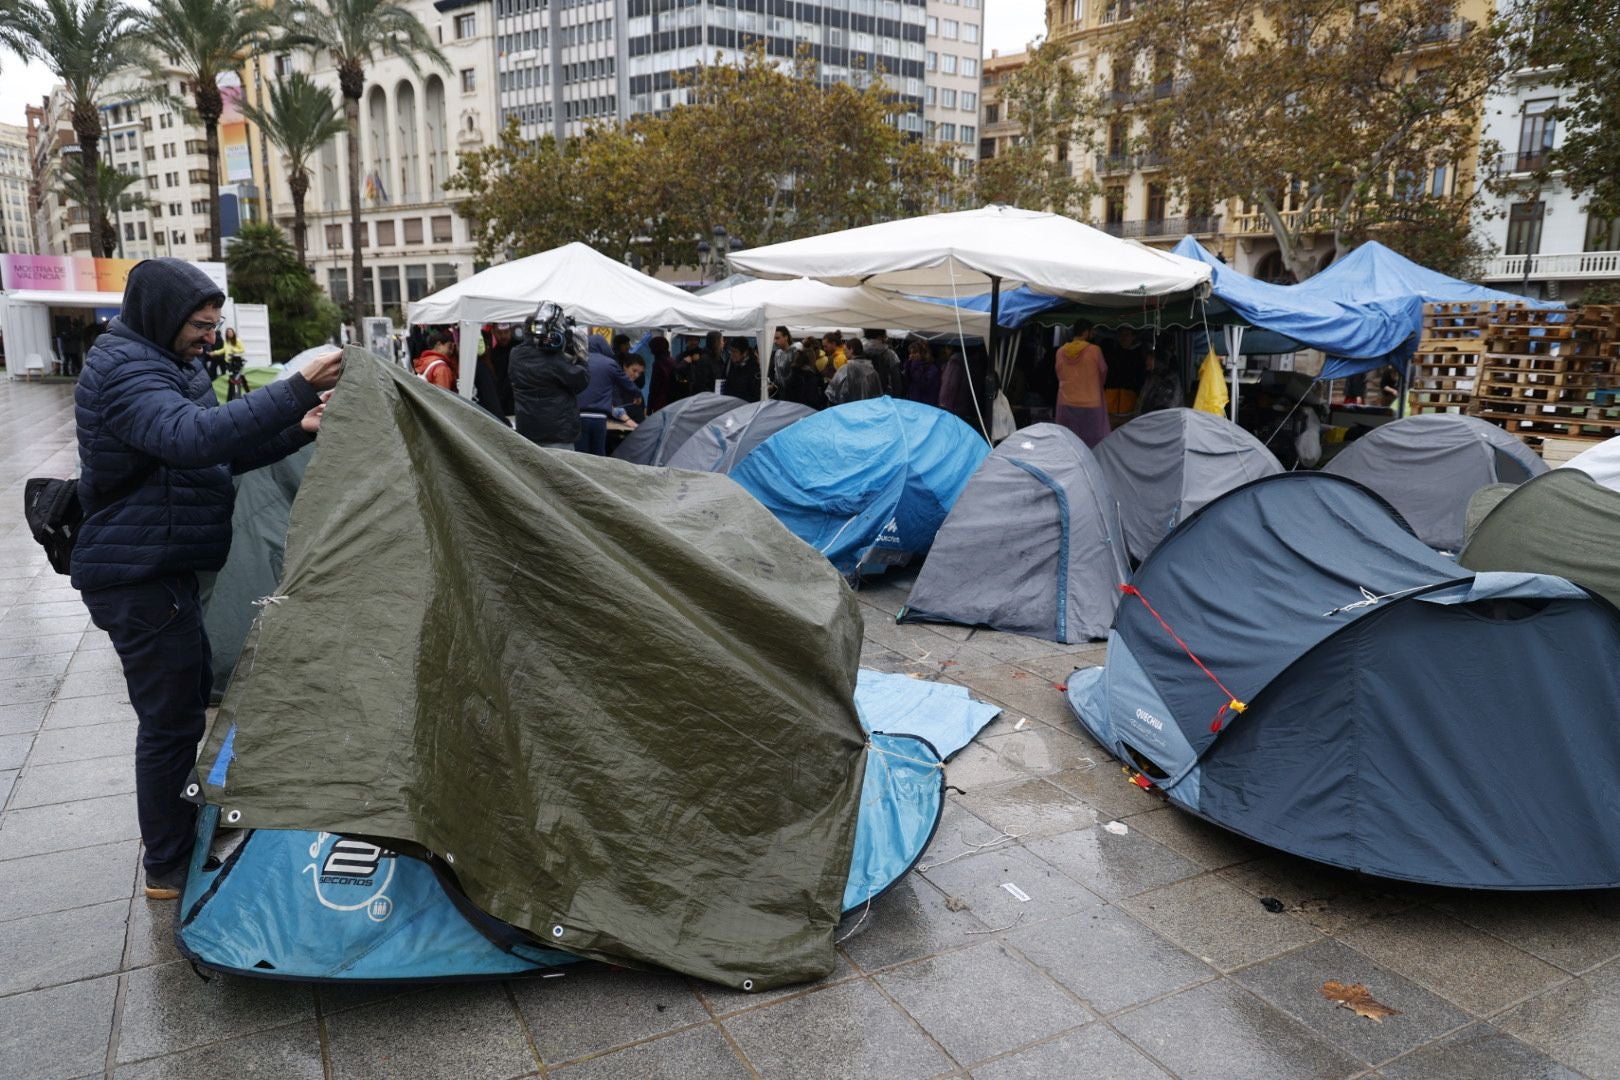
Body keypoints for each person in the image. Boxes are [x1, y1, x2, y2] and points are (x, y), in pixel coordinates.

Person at [71, 257, 340, 901]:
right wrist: (298, 387)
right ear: (163, 315)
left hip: (166, 566)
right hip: (137, 575)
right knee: (168, 723)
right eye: (199, 324)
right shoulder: (125, 369)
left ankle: (180, 834)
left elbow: (218, 451)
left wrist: (293, 430)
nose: (208, 338)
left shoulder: (170, 363)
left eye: (214, 326)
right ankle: (166, 866)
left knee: (185, 710)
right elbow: (191, 438)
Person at [510, 314, 589, 449]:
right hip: (558, 433)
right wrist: (581, 357)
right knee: (560, 470)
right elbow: (581, 380)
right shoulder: (552, 358)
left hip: (527, 431)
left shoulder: (515, 354)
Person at [576, 335, 642, 454]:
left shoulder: (578, 361)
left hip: (579, 416)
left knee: (580, 455)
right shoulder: (610, 364)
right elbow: (626, 382)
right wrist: (637, 395)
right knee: (598, 456)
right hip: (600, 419)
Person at [1054, 320, 1111, 447]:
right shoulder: (1095, 351)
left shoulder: (1060, 352)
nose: (1094, 334)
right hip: (1091, 403)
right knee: (1093, 444)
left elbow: (1059, 375)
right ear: (1086, 332)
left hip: (1066, 403)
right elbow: (1103, 372)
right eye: (1093, 331)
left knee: (1068, 443)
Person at [484, 323, 517, 417]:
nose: (503, 336)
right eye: (499, 333)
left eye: (506, 332)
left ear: (511, 331)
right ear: (493, 332)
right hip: (502, 404)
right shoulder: (494, 354)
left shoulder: (519, 350)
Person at [861, 329, 902, 398]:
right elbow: (896, 380)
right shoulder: (890, 354)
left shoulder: (859, 352)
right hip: (884, 395)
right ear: (880, 337)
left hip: (863, 394)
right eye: (885, 336)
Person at [902, 337, 941, 407]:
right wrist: (908, 365)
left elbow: (923, 386)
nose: (911, 355)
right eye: (910, 353)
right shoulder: (912, 365)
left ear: (923, 353)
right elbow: (907, 382)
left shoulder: (932, 369)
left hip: (926, 405)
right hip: (913, 402)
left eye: (915, 352)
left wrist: (915, 365)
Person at [722, 337, 761, 402]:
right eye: (731, 351)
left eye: (735, 351)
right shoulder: (729, 363)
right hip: (729, 405)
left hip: (746, 407)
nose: (732, 355)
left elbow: (756, 394)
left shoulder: (754, 367)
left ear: (744, 353)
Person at [646, 335, 676, 412]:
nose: (650, 351)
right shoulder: (673, 361)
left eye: (651, 348)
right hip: (672, 401)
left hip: (660, 402)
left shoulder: (658, 364)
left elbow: (654, 387)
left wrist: (649, 407)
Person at [769, 326, 795, 391]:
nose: (775, 341)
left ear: (786, 337)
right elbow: (777, 374)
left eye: (777, 338)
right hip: (781, 392)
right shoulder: (777, 353)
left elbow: (794, 376)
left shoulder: (794, 352)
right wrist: (773, 385)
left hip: (793, 392)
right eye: (774, 338)